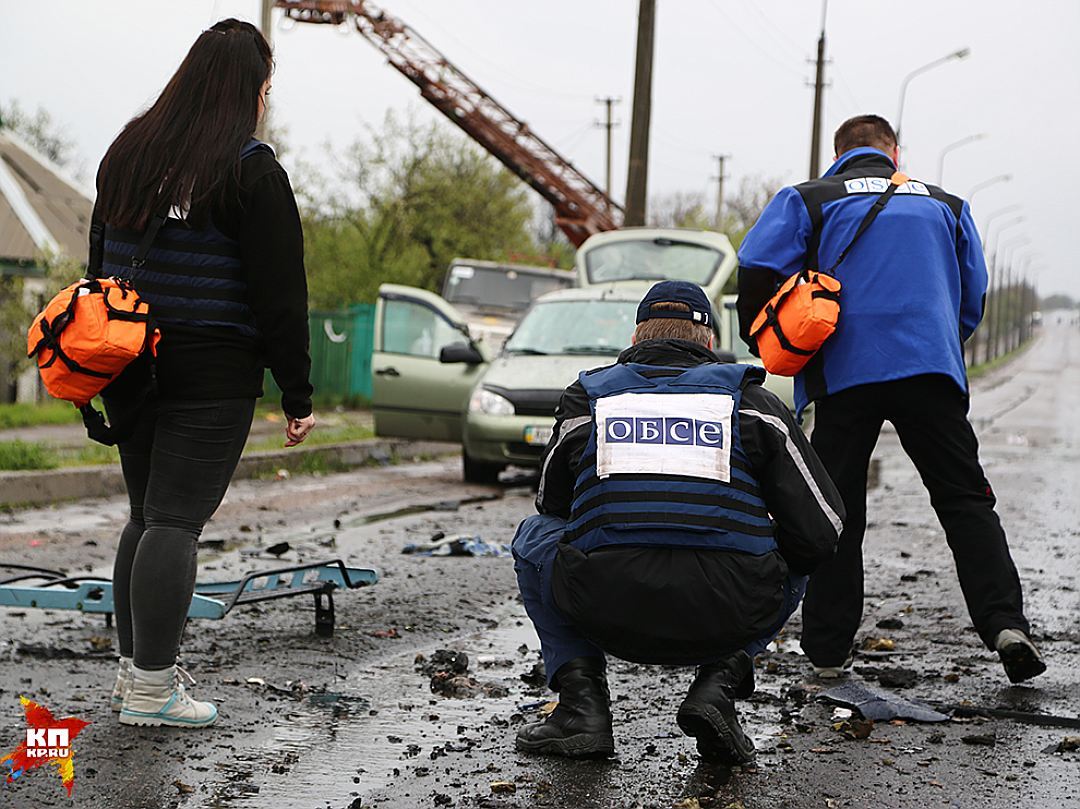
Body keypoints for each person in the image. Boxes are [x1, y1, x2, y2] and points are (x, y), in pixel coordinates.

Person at [735, 114, 1045, 684]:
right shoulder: (946, 205)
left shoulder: (809, 198)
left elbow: (755, 267)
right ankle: (1006, 624)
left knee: (836, 510)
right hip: (930, 368)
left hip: (845, 373)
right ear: (894, 152)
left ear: (839, 153)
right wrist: (937, 346)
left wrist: (766, 337)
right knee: (965, 501)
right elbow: (971, 295)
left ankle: (827, 652)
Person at [87, 19, 315, 728]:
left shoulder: (128, 150)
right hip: (209, 369)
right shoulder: (249, 168)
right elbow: (279, 292)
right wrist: (297, 390)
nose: (266, 103)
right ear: (247, 91)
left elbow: (96, 262)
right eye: (265, 89)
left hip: (125, 360)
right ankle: (154, 689)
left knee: (147, 515)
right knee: (175, 522)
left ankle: (135, 676)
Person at [512, 280, 844, 763]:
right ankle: (719, 685)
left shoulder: (588, 400)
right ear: (708, 342)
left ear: (635, 339)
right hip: (728, 612)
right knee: (801, 543)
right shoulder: (754, 404)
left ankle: (581, 708)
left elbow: (551, 505)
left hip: (604, 603)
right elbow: (823, 531)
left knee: (533, 537)